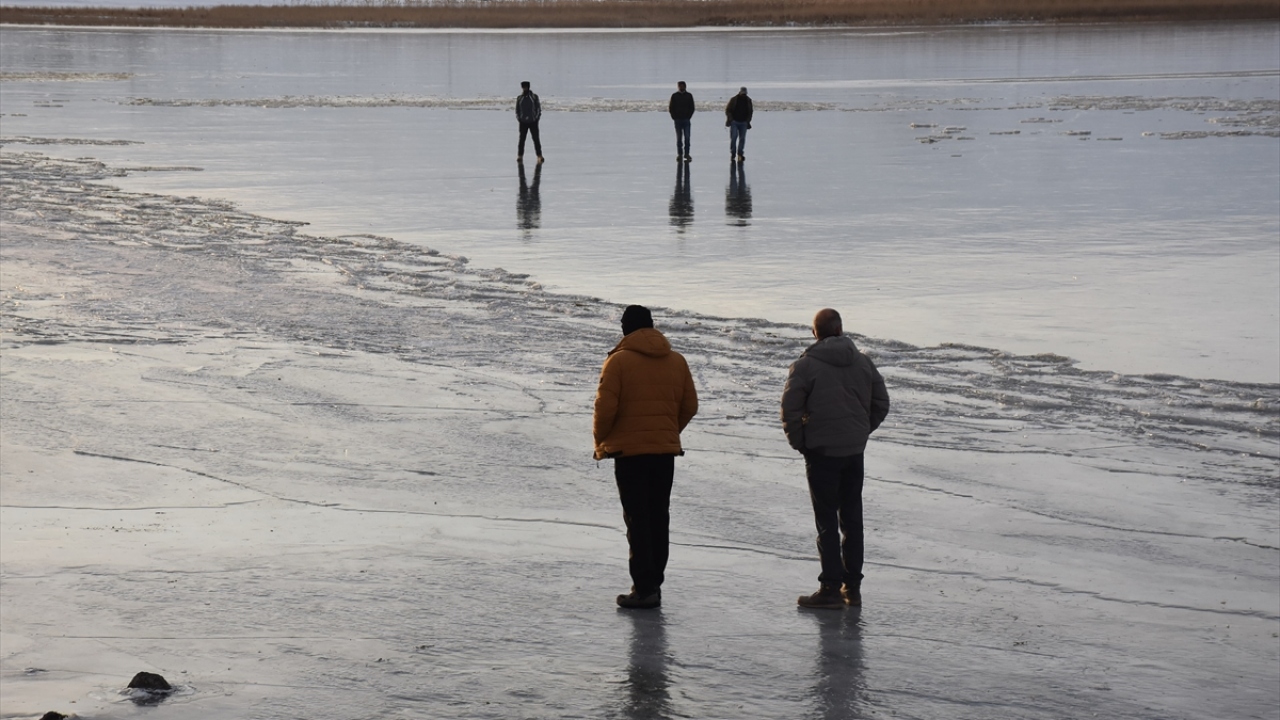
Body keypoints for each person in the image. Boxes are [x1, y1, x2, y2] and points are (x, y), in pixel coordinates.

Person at [781, 308, 890, 610]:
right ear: (840, 330)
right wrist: (861, 431)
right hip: (854, 452)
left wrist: (801, 443)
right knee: (853, 520)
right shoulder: (863, 361)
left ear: (815, 332)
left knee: (827, 521)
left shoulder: (805, 366)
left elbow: (789, 409)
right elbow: (881, 402)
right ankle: (851, 589)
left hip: (822, 452)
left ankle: (830, 588)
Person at [594, 305, 698, 610]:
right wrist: (667, 431)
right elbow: (690, 405)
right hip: (664, 451)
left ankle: (644, 588)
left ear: (626, 329)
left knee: (637, 519)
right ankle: (654, 583)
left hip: (629, 452)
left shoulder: (618, 361)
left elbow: (605, 408)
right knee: (658, 516)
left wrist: (601, 441)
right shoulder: (676, 360)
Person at [516, 81, 544, 164]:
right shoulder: (519, 98)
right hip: (523, 122)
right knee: (522, 140)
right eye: (523, 87)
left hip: (533, 122)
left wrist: (536, 118)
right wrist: (520, 118)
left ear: (528, 87)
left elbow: (538, 109)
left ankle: (539, 155)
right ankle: (520, 156)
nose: (525, 88)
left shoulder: (534, 97)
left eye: (526, 87)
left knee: (536, 139)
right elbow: (517, 110)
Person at [724, 86, 753, 162]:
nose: (743, 95)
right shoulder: (733, 100)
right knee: (734, 137)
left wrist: (748, 121)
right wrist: (731, 119)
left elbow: (750, 112)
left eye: (744, 94)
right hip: (734, 122)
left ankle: (740, 153)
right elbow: (728, 110)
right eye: (742, 94)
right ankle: (733, 153)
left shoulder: (748, 100)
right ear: (739, 92)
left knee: (742, 138)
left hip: (743, 122)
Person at [669, 81, 695, 162]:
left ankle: (687, 154)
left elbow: (692, 107)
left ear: (685, 86)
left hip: (686, 120)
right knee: (679, 138)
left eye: (682, 86)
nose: (681, 87)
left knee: (687, 138)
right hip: (678, 120)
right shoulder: (674, 96)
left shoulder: (689, 96)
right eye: (680, 86)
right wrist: (674, 117)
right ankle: (680, 154)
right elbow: (671, 108)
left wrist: (689, 116)